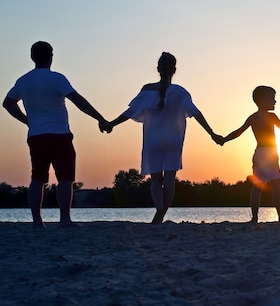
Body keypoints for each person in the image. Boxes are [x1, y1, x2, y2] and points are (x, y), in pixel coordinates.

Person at [104, 52, 223, 224]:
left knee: (155, 180)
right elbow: (196, 113)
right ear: (175, 69)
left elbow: (129, 112)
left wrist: (111, 124)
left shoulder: (147, 90)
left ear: (158, 69)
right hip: (173, 140)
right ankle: (160, 214)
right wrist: (212, 133)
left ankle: (159, 211)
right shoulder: (180, 92)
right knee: (169, 179)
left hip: (153, 140)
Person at [3, 41, 109, 228]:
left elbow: (8, 103)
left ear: (32, 57)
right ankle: (65, 220)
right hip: (59, 134)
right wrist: (99, 118)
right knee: (65, 178)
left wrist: (27, 120)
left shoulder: (23, 80)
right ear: (51, 56)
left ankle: (37, 221)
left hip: (36, 135)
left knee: (37, 178)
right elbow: (78, 100)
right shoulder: (57, 78)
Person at [220, 85, 280, 223]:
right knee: (276, 186)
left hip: (258, 154)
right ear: (262, 100)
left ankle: (254, 218)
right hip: (269, 153)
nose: (275, 102)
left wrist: (223, 140)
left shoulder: (252, 117)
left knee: (257, 187)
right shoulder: (271, 116)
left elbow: (238, 132)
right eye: (272, 99)